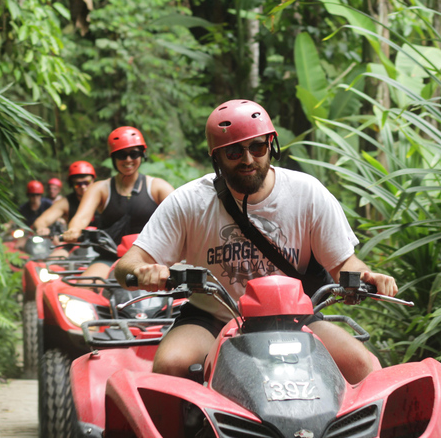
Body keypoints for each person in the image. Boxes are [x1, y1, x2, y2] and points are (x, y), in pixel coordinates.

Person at [115, 100, 398, 385]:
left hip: (295, 317)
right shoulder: (189, 201)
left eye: (258, 147)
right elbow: (127, 264)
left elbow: (344, 263)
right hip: (213, 318)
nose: (248, 160)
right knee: (171, 365)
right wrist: (143, 271)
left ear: (271, 146)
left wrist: (364, 276)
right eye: (234, 152)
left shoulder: (308, 193)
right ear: (216, 157)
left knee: (361, 364)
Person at [63, 126, 175, 281]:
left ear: (142, 154)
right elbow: (81, 217)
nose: (128, 160)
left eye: (133, 154)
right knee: (85, 285)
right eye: (122, 155)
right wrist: (74, 230)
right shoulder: (100, 189)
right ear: (113, 158)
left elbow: (180, 215)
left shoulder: (157, 187)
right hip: (109, 257)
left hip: (151, 259)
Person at [33, 161, 97, 258]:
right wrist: (42, 228)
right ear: (72, 184)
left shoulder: (103, 197)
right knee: (52, 261)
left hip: (105, 244)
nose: (83, 186)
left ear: (93, 181)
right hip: (74, 244)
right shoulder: (66, 203)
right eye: (78, 184)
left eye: (86, 182)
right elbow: (41, 221)